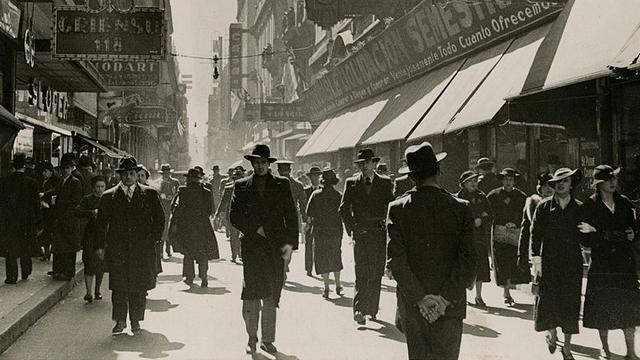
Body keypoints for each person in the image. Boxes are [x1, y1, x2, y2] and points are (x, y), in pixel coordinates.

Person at [387, 142, 476, 360]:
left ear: (411, 177)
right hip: (450, 305)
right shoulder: (461, 207)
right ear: (438, 170)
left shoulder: (398, 209)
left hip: (414, 306)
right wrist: (444, 299)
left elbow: (396, 262)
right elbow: (469, 261)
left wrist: (420, 299)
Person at [229, 144, 298, 354]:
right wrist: (255, 229)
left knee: (271, 294)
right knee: (251, 294)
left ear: (269, 164)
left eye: (263, 162)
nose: (260, 166)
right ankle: (251, 337)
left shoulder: (281, 184)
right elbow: (234, 216)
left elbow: (291, 216)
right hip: (252, 247)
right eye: (256, 162)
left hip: (275, 248)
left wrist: (290, 246)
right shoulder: (241, 185)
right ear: (252, 164)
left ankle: (267, 339)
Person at [95, 157, 165, 335]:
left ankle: (135, 321)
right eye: (124, 174)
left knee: (139, 286)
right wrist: (100, 247)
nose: (128, 177)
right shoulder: (109, 196)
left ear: (136, 175)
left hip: (142, 249)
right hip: (118, 249)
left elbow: (160, 219)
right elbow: (101, 224)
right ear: (120, 175)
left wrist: (154, 240)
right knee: (119, 287)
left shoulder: (149, 194)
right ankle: (119, 321)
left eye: (131, 173)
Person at [579, 165, 640, 360]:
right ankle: (605, 348)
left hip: (624, 263)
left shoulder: (625, 203)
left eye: (614, 178)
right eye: (608, 179)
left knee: (629, 308)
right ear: (599, 184)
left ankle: (631, 351)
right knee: (601, 308)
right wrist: (618, 235)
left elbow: (635, 229)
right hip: (602, 264)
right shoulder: (589, 206)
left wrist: (603, 233)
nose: (613, 182)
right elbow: (585, 239)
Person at [530, 168, 584, 359]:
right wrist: (536, 263)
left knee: (570, 303)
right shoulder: (544, 207)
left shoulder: (579, 207)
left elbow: (585, 239)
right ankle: (552, 333)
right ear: (553, 185)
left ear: (571, 184)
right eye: (558, 182)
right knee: (550, 301)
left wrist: (590, 231)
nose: (561, 184)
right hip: (549, 262)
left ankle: (567, 347)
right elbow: (535, 236)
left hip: (572, 264)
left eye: (566, 181)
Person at [339, 148, 394, 325]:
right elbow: (343, 209)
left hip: (378, 233)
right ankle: (360, 310)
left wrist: (387, 225)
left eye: (367, 163)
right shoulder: (351, 183)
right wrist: (353, 229)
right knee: (361, 271)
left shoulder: (385, 183)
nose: (363, 166)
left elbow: (391, 207)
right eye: (360, 164)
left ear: (374, 164)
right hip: (361, 234)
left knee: (376, 272)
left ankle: (372, 309)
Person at [170, 168, 220, 288]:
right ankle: (203, 275)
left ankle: (189, 276)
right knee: (203, 252)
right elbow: (211, 210)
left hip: (186, 226)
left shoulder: (183, 191)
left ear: (189, 179)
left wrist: (175, 223)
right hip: (203, 226)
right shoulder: (206, 191)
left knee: (188, 251)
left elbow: (177, 208)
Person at [487, 168, 529, 305]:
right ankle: (506, 292)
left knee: (512, 262)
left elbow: (526, 215)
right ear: (502, 180)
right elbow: (487, 213)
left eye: (511, 179)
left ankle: (509, 288)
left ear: (514, 181)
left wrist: (516, 223)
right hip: (499, 234)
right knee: (502, 262)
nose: (508, 182)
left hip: (515, 234)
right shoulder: (493, 195)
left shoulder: (521, 197)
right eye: (505, 179)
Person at [0, 154, 41, 284]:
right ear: (24, 165)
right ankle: (25, 271)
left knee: (11, 248)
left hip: (10, 221)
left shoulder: (4, 182)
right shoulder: (32, 183)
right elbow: (36, 205)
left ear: (13, 165)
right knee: (25, 245)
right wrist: (39, 223)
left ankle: (12, 277)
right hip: (27, 221)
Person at [455, 170, 492, 307]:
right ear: (463, 184)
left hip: (479, 237)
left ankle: (478, 296)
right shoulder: (459, 197)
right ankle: (462, 294)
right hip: (463, 238)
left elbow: (489, 213)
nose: (473, 183)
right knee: (464, 266)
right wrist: (472, 221)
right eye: (470, 181)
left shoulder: (481, 196)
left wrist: (482, 218)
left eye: (475, 181)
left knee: (480, 266)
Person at [306, 168, 344, 298]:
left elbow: (309, 213)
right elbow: (343, 213)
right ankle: (338, 284)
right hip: (335, 230)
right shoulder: (338, 196)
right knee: (335, 255)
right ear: (334, 182)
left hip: (320, 230)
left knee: (322, 257)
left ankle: (326, 287)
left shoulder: (316, 195)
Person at [51, 154, 83, 281]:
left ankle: (68, 272)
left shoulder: (75, 182)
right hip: (61, 219)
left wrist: (58, 202)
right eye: (63, 168)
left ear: (72, 168)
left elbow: (76, 201)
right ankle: (58, 270)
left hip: (69, 219)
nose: (65, 170)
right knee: (60, 247)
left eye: (68, 168)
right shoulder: (62, 181)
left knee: (68, 248)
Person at [75, 175, 107, 303]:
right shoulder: (87, 199)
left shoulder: (109, 199)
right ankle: (88, 292)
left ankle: (97, 290)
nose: (100, 189)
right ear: (93, 188)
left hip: (104, 234)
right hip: (90, 235)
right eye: (98, 187)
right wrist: (91, 212)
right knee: (89, 263)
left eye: (102, 187)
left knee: (101, 264)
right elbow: (77, 211)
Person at [275, 160, 307, 276]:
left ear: (278, 171)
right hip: (291, 220)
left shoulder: (273, 184)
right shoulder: (298, 185)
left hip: (277, 219)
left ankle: (282, 267)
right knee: (289, 245)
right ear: (290, 170)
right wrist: (305, 218)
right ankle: (285, 264)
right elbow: (303, 205)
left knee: (278, 245)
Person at [517, 172, 554, 272]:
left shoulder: (559, 204)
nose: (549, 189)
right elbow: (524, 232)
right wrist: (522, 255)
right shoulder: (533, 205)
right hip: (538, 251)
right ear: (540, 189)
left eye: (551, 185)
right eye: (545, 186)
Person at [215, 167, 245, 263]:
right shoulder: (228, 188)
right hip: (231, 214)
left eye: (239, 177)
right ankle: (234, 255)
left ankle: (240, 254)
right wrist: (218, 213)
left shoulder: (247, 188)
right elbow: (223, 201)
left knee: (241, 235)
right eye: (236, 178)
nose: (238, 179)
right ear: (233, 178)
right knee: (233, 236)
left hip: (244, 215)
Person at [303, 166, 323, 276]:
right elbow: (303, 206)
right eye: (312, 176)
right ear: (310, 178)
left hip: (320, 222)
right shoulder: (305, 191)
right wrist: (306, 220)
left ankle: (319, 267)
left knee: (319, 245)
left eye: (316, 176)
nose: (314, 178)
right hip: (309, 221)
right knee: (309, 244)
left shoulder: (323, 190)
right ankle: (309, 268)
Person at [40, 161, 60, 262]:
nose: (44, 174)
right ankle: (47, 253)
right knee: (46, 232)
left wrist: (44, 194)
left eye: (45, 171)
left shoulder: (55, 180)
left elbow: (55, 191)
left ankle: (49, 253)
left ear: (51, 172)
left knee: (51, 232)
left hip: (52, 211)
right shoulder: (44, 181)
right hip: (45, 210)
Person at [159, 164, 180, 258]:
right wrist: (162, 196)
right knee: (162, 228)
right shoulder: (159, 182)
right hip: (161, 208)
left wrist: (173, 197)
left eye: (167, 173)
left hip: (172, 208)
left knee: (169, 228)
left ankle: (168, 249)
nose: (166, 175)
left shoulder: (175, 182)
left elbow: (178, 194)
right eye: (164, 173)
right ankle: (160, 250)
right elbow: (156, 193)